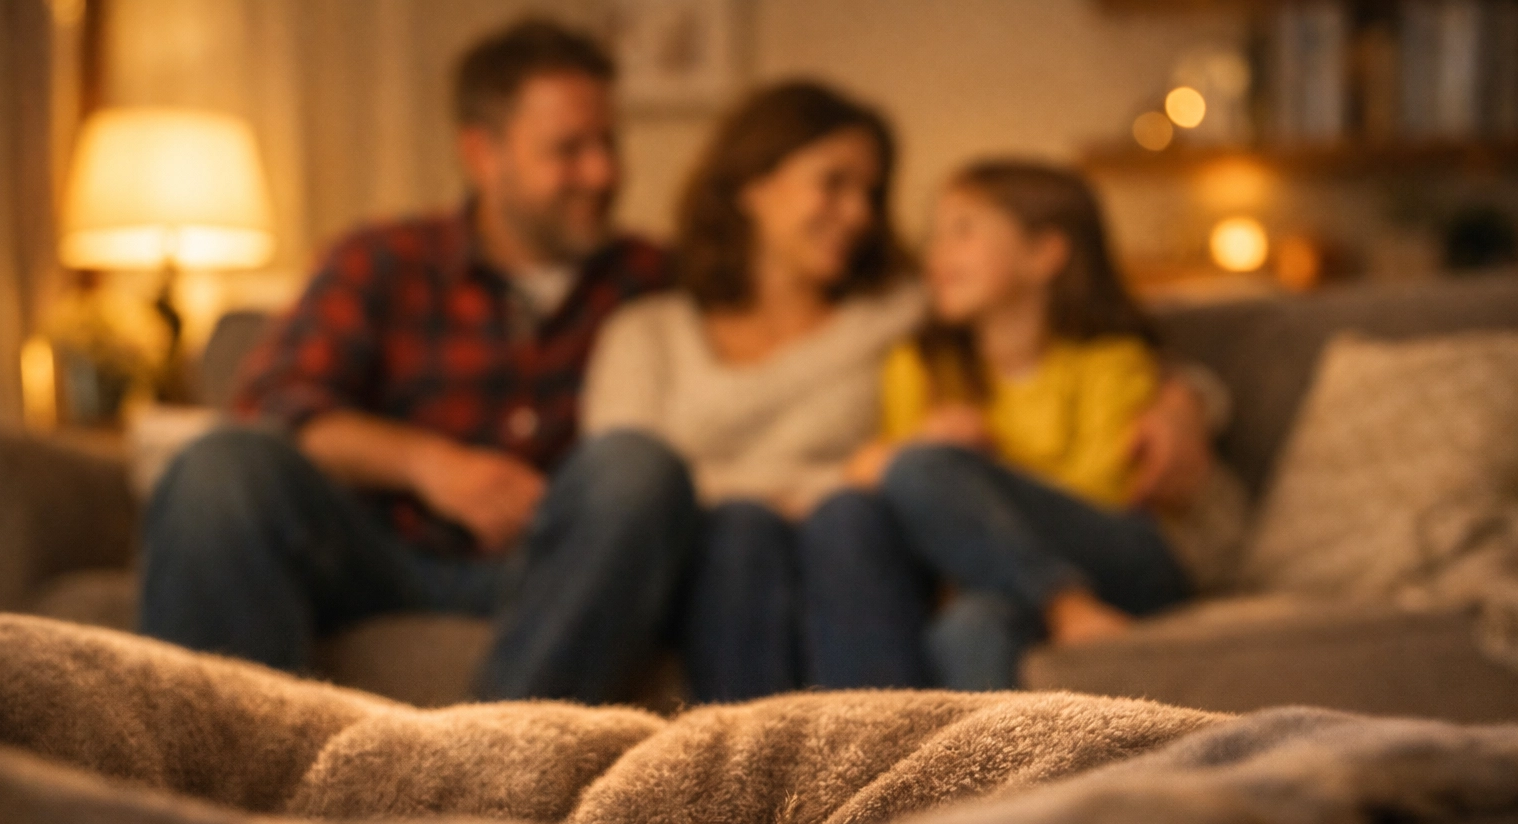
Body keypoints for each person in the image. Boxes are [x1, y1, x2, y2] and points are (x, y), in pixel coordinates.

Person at [138, 19, 693, 704]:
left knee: (640, 468)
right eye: (569, 150)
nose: (602, 173)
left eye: (608, 143)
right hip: (379, 552)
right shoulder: (386, 258)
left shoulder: (654, 277)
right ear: (482, 153)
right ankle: (227, 792)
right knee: (220, 467)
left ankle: (494, 779)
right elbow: (279, 403)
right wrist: (430, 465)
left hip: (558, 569)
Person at [582, 81, 929, 702]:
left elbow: (1042, 339)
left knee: (847, 519)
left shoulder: (901, 315)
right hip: (709, 568)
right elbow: (621, 503)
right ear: (752, 186)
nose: (859, 214)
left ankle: (898, 780)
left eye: (871, 193)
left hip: (854, 558)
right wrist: (819, 482)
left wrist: (1167, 398)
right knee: (742, 530)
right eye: (833, 183)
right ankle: (746, 782)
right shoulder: (647, 332)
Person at [846, 161, 1200, 689]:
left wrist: (977, 476)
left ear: (1043, 254)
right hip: (993, 580)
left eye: (962, 231)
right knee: (968, 629)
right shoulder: (917, 365)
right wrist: (946, 471)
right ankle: (1000, 772)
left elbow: (1107, 491)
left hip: (1123, 554)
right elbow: (890, 488)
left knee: (925, 468)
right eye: (935, 235)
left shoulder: (1110, 360)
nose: (937, 255)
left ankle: (1065, 602)